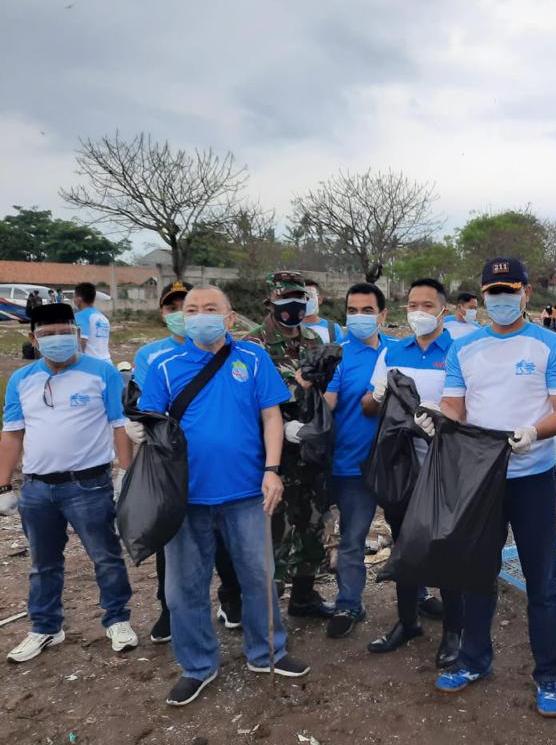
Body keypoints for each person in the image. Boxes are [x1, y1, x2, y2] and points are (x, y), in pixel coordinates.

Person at [139, 286, 310, 706]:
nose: (200, 316)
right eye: (192, 310)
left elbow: (271, 416)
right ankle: (197, 665)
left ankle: (267, 652)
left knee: (259, 577)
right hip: (186, 498)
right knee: (184, 589)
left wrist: (272, 470)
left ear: (230, 318)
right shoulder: (163, 366)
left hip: (247, 492)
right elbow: (152, 425)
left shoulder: (253, 358)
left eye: (210, 309)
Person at [425, 257, 556, 717]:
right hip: (481, 479)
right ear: (483, 296)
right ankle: (474, 660)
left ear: (526, 293)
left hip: (533, 479)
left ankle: (549, 675)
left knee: (541, 580)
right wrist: (438, 419)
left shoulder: (550, 345)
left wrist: (534, 432)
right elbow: (456, 405)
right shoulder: (464, 348)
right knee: (477, 574)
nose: (502, 299)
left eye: (510, 291)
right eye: (494, 292)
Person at [0, 303, 137, 663]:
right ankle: (46, 626)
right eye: (48, 334)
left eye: (65, 332)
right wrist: (4, 485)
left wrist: (125, 474)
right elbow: (12, 433)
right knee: (43, 563)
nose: (58, 340)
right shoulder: (21, 380)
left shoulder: (102, 373)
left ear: (77, 335)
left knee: (105, 556)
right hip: (37, 489)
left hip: (88, 485)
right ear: (33, 339)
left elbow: (119, 426)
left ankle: (118, 619)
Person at [130, 281, 242, 644]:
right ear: (163, 314)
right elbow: (147, 406)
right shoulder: (152, 356)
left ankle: (231, 597)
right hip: (175, 467)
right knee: (172, 538)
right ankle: (169, 609)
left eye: (190, 306)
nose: (184, 314)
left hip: (225, 469)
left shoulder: (234, 352)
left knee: (226, 542)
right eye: (175, 308)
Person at [362, 277, 463, 668]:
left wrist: (442, 420)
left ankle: (454, 630)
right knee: (404, 544)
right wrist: (378, 395)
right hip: (401, 467)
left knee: (447, 547)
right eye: (413, 305)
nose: (418, 312)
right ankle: (408, 622)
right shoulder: (392, 352)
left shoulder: (459, 352)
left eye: (427, 305)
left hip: (445, 466)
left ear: (443, 310)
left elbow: (471, 408)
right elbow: (369, 407)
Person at [247, 271, 333, 619]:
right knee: (274, 530)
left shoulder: (314, 340)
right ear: (270, 302)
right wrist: (282, 427)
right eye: (285, 299)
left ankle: (303, 597)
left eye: (300, 298)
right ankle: (266, 610)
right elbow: (246, 400)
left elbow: (323, 389)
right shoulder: (253, 344)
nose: (293, 305)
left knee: (312, 522)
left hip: (309, 450)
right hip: (273, 454)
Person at [323, 283, 396, 639]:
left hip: (396, 464)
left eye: (367, 310)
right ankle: (349, 602)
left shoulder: (399, 352)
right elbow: (327, 404)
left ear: (383, 314)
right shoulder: (335, 355)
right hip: (350, 464)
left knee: (410, 531)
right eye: (352, 310)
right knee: (352, 538)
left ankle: (418, 595)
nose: (359, 317)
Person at [73, 282, 111, 362]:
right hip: (107, 361)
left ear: (79, 299)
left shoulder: (80, 316)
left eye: (74, 296)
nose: (73, 299)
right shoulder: (103, 317)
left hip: (91, 362)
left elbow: (82, 341)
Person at [302, 277, 345, 344]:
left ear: (320, 299)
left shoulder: (333, 329)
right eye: (301, 297)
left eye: (310, 296)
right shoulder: (290, 329)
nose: (305, 300)